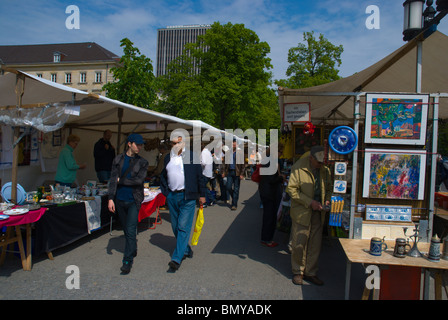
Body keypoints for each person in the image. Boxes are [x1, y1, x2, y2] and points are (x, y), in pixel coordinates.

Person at [286, 145, 332, 286]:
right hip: (302, 211)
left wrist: (327, 199)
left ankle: (311, 272)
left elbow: (329, 188)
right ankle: (298, 271)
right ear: (311, 158)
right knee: (299, 243)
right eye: (318, 162)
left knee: (315, 244)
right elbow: (291, 190)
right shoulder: (298, 168)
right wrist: (309, 202)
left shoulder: (325, 169)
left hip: (318, 212)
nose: (320, 165)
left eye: (322, 162)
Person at [160, 136, 207, 272]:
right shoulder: (168, 157)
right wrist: (166, 192)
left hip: (188, 196)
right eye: (173, 143)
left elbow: (200, 176)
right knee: (175, 226)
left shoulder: (192, 157)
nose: (176, 145)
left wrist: (202, 194)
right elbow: (163, 175)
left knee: (182, 227)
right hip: (173, 196)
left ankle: (176, 258)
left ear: (184, 143)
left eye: (178, 142)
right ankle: (185, 249)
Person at [107, 133, 149, 274]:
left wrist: (121, 181)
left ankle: (127, 261)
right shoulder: (118, 159)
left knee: (131, 230)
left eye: (141, 144)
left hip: (134, 200)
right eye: (138, 144)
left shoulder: (143, 162)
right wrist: (110, 198)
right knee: (126, 229)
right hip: (119, 199)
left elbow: (138, 181)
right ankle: (133, 248)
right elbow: (113, 179)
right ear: (129, 144)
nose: (140, 147)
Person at [258, 146, 285, 248]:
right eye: (280, 151)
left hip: (266, 191)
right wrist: (281, 178)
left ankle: (266, 238)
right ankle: (267, 239)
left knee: (268, 215)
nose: (281, 154)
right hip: (269, 192)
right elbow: (271, 179)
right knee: (270, 216)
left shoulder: (268, 159)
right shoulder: (271, 161)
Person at [222, 140, 245, 210]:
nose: (233, 146)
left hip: (237, 172)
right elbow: (225, 163)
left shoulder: (240, 153)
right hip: (229, 172)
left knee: (236, 188)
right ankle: (234, 197)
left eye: (234, 145)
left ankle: (234, 204)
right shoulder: (228, 152)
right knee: (228, 187)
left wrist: (242, 174)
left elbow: (243, 165)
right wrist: (224, 172)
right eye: (232, 145)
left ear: (237, 145)